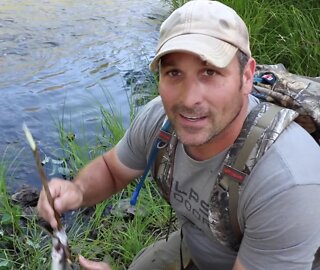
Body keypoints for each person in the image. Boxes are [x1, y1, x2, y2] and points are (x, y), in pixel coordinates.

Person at [37, 1, 320, 269]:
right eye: (174, 73)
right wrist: (77, 191)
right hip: (202, 243)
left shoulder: (287, 182)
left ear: (247, 76)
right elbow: (112, 170)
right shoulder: (159, 120)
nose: (189, 99)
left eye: (209, 72)